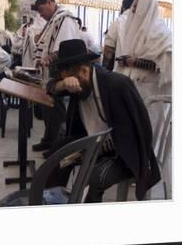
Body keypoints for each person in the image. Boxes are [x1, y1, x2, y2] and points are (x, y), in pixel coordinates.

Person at [46, 39, 161, 202]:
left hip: (124, 153)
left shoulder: (117, 85)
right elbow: (49, 87)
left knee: (93, 177)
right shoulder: (76, 82)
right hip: (94, 143)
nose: (72, 91)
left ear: (85, 71)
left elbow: (135, 134)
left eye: (69, 80)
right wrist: (62, 84)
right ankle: (53, 201)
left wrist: (94, 150)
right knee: (57, 155)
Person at [31, 0, 82, 152]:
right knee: (48, 109)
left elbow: (63, 47)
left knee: (56, 111)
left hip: (60, 72)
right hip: (51, 72)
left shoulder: (65, 19)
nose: (41, 14)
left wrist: (48, 58)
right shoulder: (55, 20)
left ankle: (56, 148)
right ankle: (48, 140)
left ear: (50, 2)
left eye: (41, 10)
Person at [113, 0, 172, 125]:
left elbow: (164, 67)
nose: (133, 13)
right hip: (128, 94)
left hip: (150, 96)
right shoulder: (131, 32)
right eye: (133, 9)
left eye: (136, 9)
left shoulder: (162, 34)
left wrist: (137, 62)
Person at [103, 0, 136, 70]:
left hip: (120, 71)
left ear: (123, 7)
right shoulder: (144, 23)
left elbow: (108, 50)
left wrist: (104, 67)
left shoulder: (118, 22)